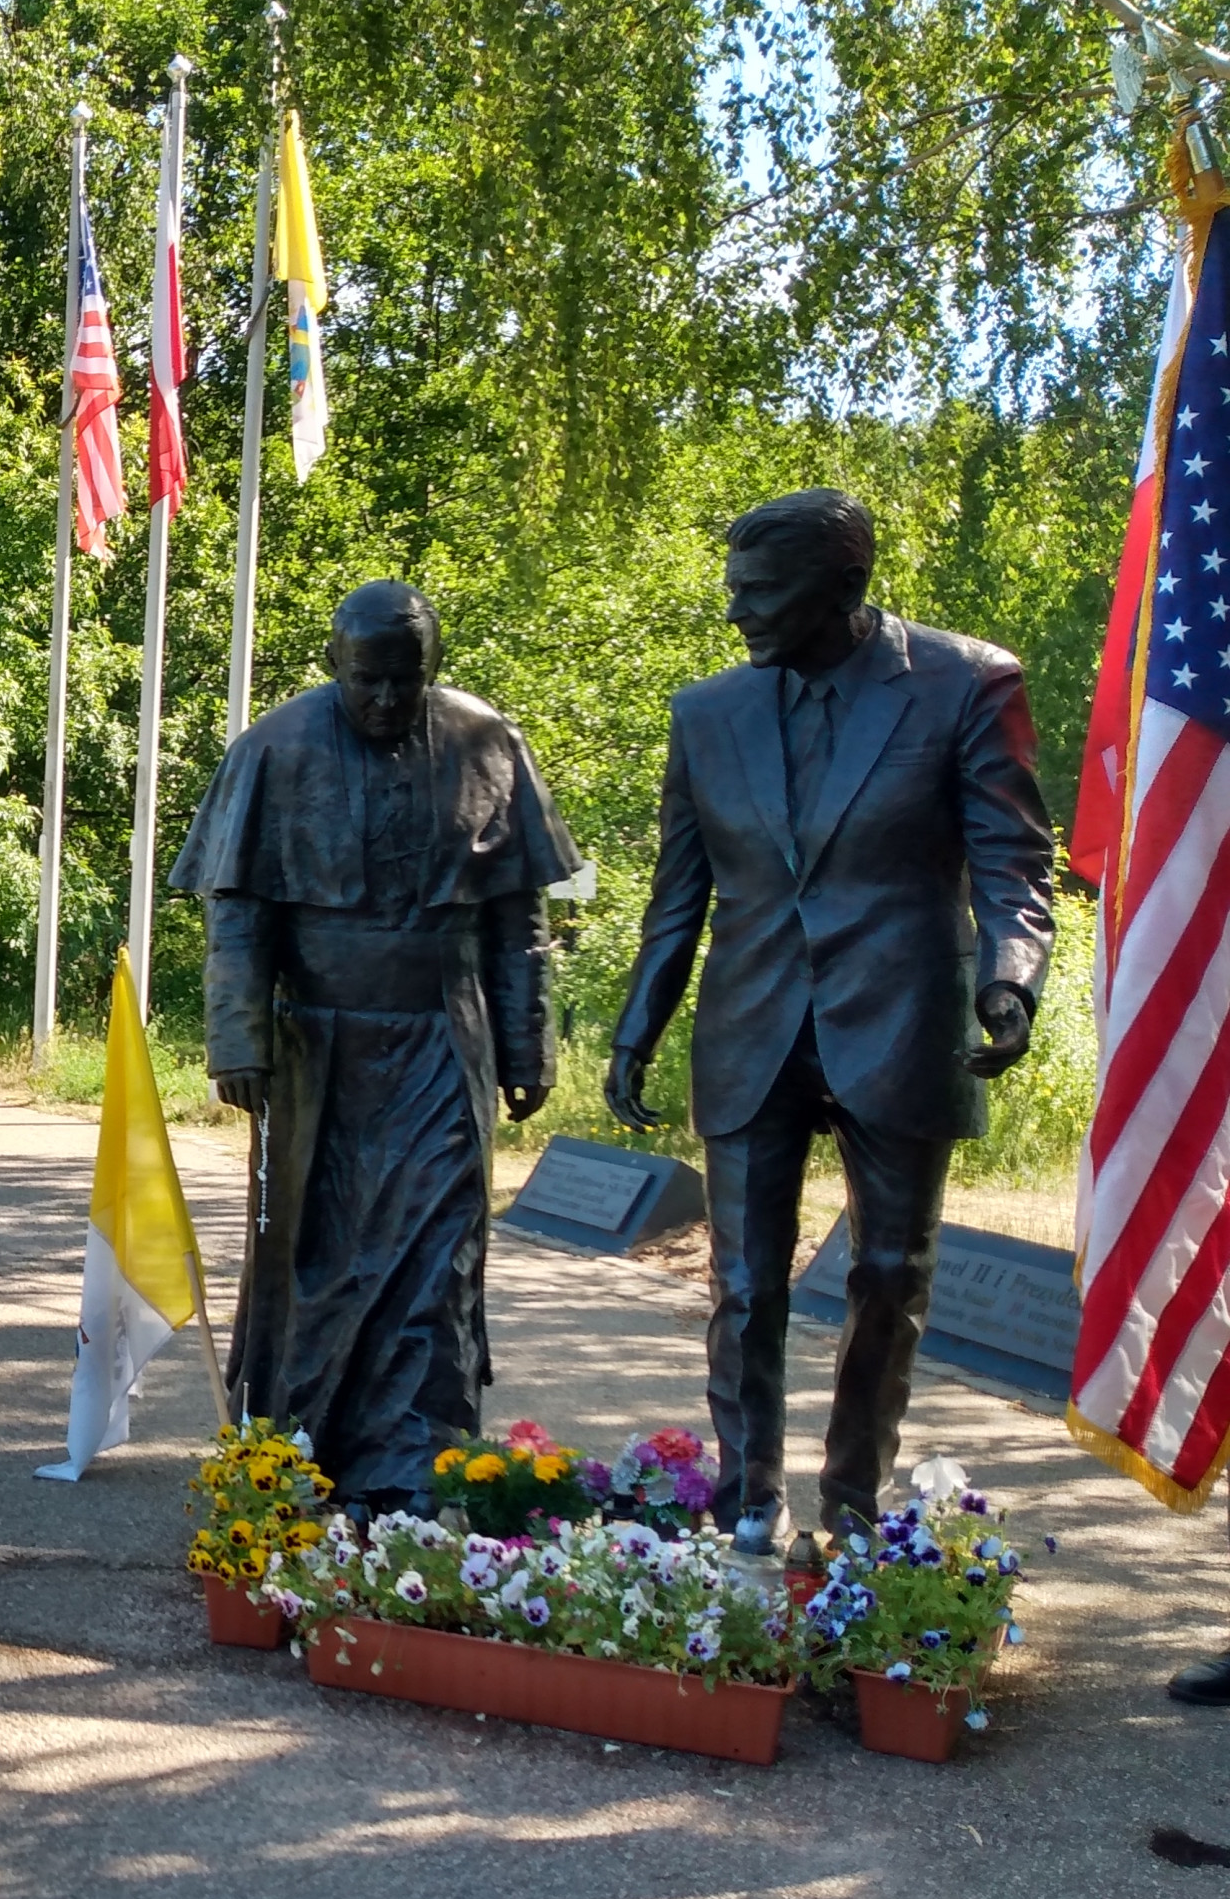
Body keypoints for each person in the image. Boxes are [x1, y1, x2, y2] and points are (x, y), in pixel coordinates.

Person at [606, 489, 1055, 1554]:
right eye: (734, 588)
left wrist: (1012, 979)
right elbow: (679, 894)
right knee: (747, 1281)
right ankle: (745, 1499)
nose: (737, 613)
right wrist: (638, 1027)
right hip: (751, 1018)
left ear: (845, 589)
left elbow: (1014, 858)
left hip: (904, 1017)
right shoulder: (706, 713)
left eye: (763, 593)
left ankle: (852, 1507)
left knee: (888, 1275)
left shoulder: (965, 683)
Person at [170, 581, 576, 1510]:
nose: (388, 701)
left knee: (440, 1248)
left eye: (408, 680)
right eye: (368, 681)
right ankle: (305, 1441)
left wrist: (527, 1043)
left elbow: (519, 920)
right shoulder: (274, 749)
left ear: (433, 670)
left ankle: (423, 1455)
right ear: (334, 667)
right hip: (320, 1048)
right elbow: (239, 917)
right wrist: (238, 1039)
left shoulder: (486, 742)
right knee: (320, 1251)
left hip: (443, 1033)